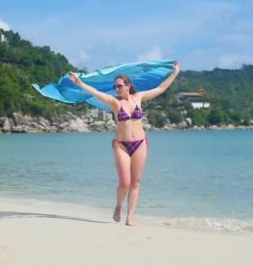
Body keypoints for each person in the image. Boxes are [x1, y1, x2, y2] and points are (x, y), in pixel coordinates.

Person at [69, 62, 180, 226]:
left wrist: (174, 73)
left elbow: (160, 89)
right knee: (125, 182)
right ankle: (119, 205)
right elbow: (97, 93)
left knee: (136, 181)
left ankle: (130, 216)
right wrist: (80, 83)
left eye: (120, 86)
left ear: (128, 86)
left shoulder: (139, 98)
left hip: (140, 143)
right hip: (121, 144)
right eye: (115, 87)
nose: (117, 89)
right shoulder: (115, 103)